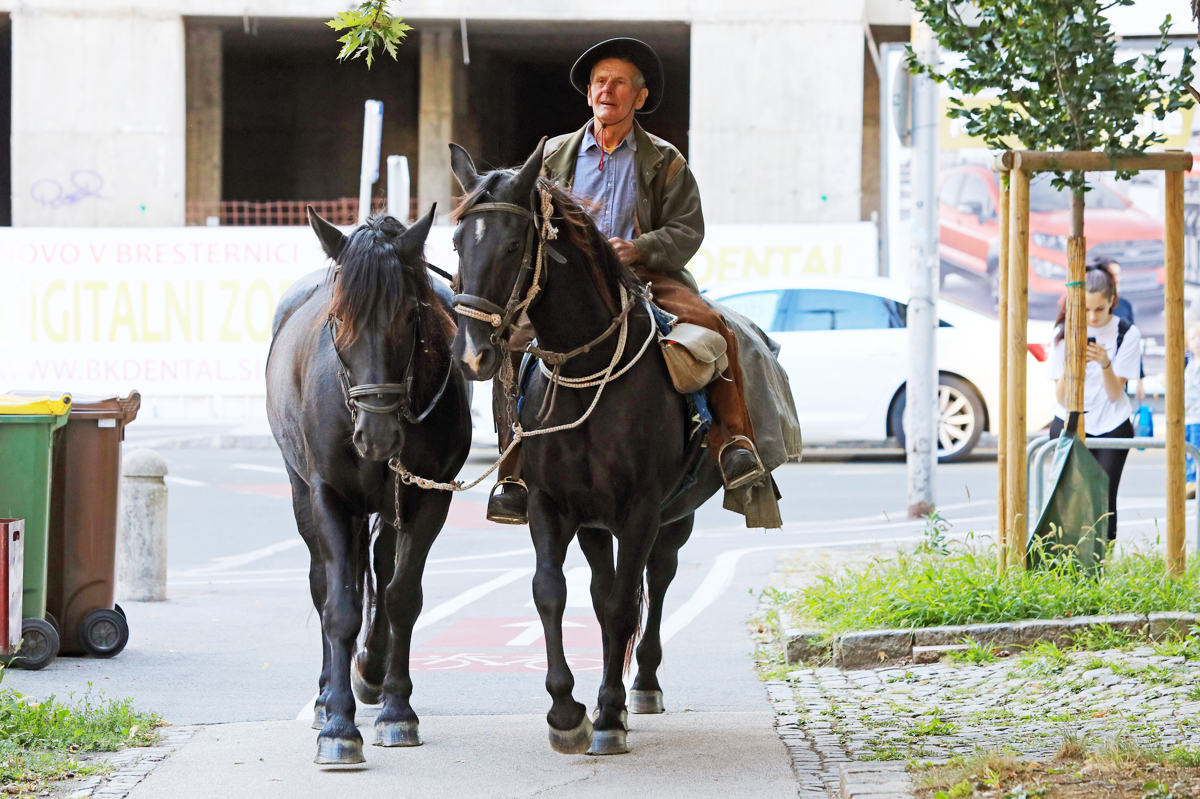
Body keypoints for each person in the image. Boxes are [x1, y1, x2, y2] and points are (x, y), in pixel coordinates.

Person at [485, 37, 765, 524]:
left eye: (619, 83)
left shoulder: (666, 160)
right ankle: (513, 467)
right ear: (588, 94)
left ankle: (734, 443)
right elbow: (524, 218)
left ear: (639, 98)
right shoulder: (551, 156)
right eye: (599, 82)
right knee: (510, 344)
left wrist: (640, 248)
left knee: (714, 327)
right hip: (567, 284)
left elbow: (687, 229)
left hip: (647, 277)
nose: (607, 90)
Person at [1048, 263, 1142, 539]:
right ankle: (1066, 567)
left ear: (1112, 301)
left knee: (1104, 499)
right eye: (1087, 309)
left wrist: (1104, 363)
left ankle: (1100, 566)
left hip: (1112, 422)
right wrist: (1070, 364)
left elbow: (1115, 394)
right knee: (1068, 499)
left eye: (1100, 309)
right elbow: (1062, 398)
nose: (1093, 316)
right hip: (1069, 419)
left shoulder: (1127, 333)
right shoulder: (1062, 334)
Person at [1095, 256, 1145, 400]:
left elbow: (1134, 342)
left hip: (1121, 372)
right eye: (1113, 275)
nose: (1118, 279)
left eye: (1119, 275)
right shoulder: (1090, 308)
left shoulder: (1124, 306)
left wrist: (1140, 378)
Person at [1185, 321, 1200, 499]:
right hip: (1187, 416)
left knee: (1196, 448)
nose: (1197, 341)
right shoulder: (1187, 364)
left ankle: (1194, 482)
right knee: (1188, 450)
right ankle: (1190, 482)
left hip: (1198, 416)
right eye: (1193, 337)